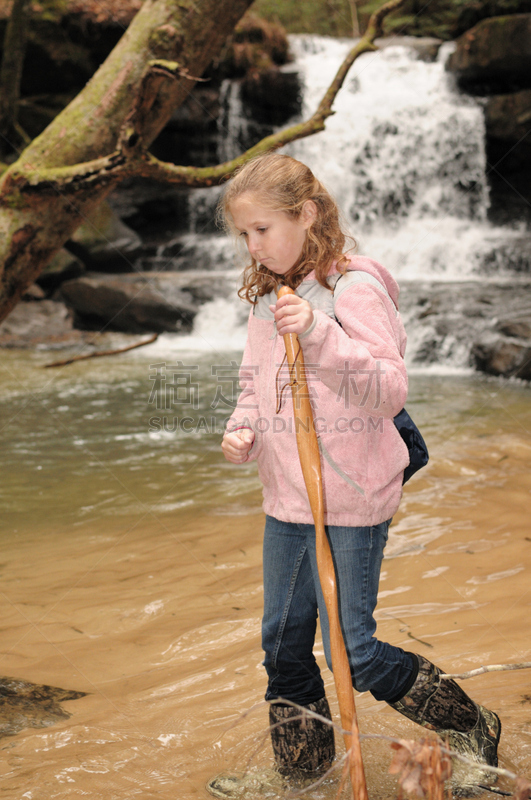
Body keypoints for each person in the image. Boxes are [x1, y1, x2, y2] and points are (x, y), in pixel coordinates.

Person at [216, 153, 500, 796]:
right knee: (284, 647)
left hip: (353, 497)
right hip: (287, 497)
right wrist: (245, 432)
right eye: (245, 234)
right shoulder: (267, 297)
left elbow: (388, 390)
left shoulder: (354, 290)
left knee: (358, 651)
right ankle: (303, 779)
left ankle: (473, 725)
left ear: (307, 214)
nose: (253, 245)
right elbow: (255, 383)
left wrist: (319, 332)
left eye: (263, 229)